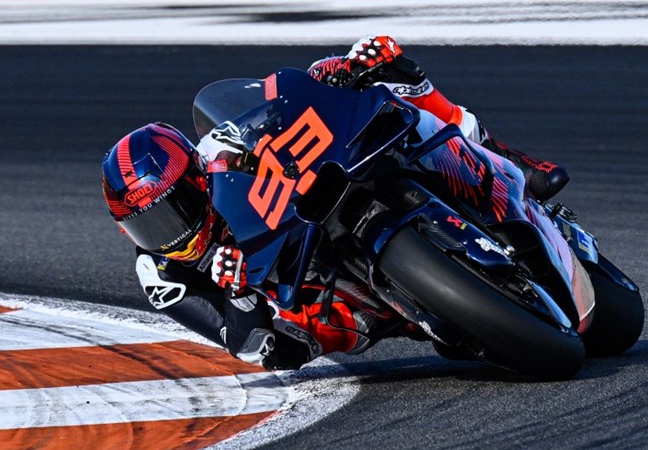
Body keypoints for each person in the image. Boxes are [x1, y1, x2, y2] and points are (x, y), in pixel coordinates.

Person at [101, 35, 569, 371]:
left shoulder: (221, 147)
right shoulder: (161, 274)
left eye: (178, 207)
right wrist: (239, 293)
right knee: (288, 345)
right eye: (151, 224)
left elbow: (283, 99)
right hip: (309, 290)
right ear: (126, 230)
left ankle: (507, 160)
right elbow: (244, 345)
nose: (174, 232)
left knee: (383, 76)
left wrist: (338, 72)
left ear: (197, 176)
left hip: (313, 202)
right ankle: (429, 307)